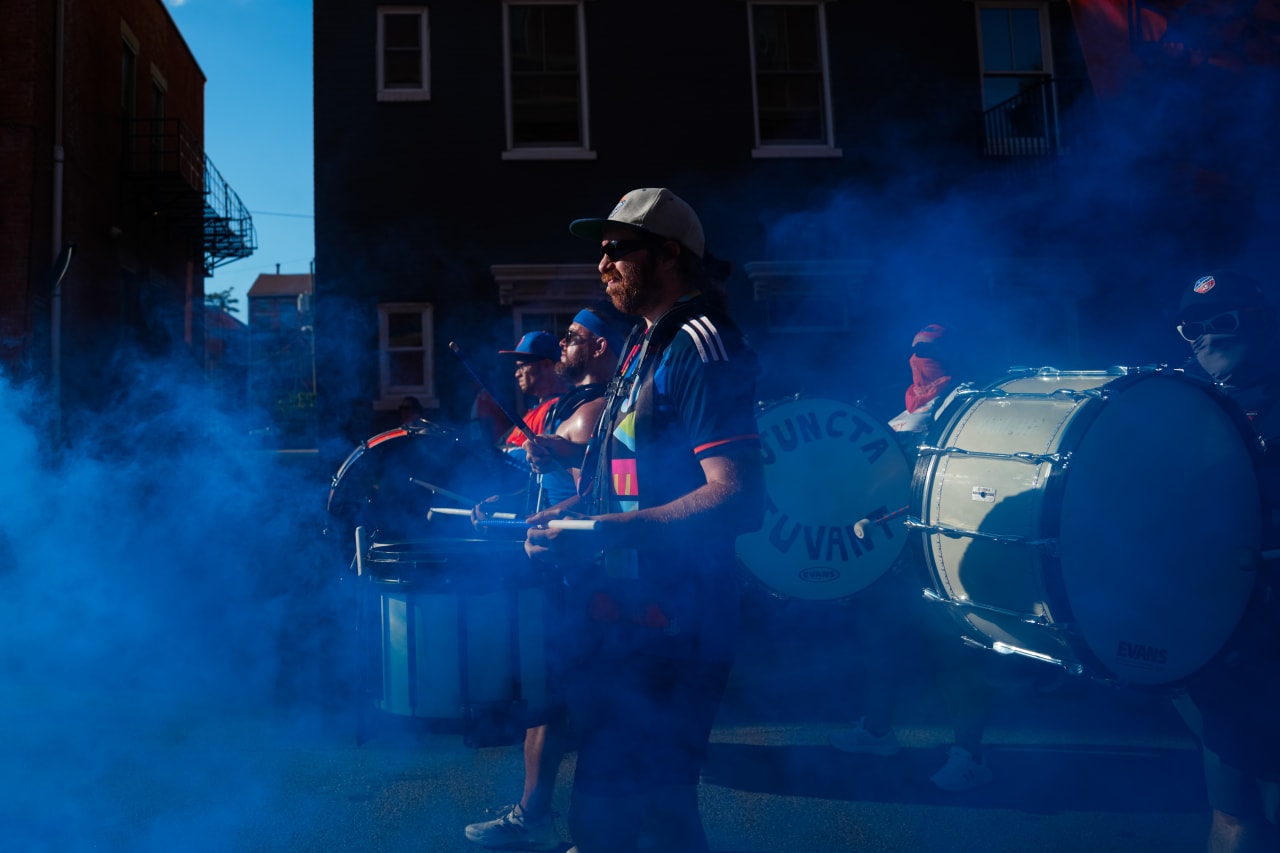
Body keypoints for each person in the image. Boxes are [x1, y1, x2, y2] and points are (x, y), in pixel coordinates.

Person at [524, 187, 765, 853]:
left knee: (608, 813)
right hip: (624, 617)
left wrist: (606, 534)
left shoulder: (701, 345)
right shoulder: (638, 348)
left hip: (677, 628)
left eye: (615, 248)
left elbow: (740, 496)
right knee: (660, 810)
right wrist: (569, 515)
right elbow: (615, 487)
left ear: (668, 256)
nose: (601, 263)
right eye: (600, 250)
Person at [464, 305, 632, 852]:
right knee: (546, 698)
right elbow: (552, 485)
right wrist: (506, 500)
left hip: (587, 575)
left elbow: (601, 483)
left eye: (574, 337)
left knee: (590, 704)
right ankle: (535, 812)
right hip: (557, 571)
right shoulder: (567, 404)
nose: (562, 344)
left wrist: (565, 450)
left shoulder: (601, 409)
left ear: (600, 348)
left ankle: (599, 831)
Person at [828, 323, 995, 792]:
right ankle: (878, 731)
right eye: (917, 350)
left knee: (954, 652)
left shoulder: (964, 406)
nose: (921, 358)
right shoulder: (911, 405)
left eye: (932, 351)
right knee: (878, 641)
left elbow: (947, 478)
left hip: (939, 548)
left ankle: (971, 756)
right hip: (893, 551)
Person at [1168, 269, 1280, 853]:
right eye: (1193, 328)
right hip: (1215, 642)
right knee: (1234, 809)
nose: (1207, 338)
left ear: (1259, 322)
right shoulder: (1175, 405)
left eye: (1225, 322)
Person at [499, 330, 569, 457]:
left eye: (522, 366)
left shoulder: (560, 409)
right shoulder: (538, 409)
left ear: (547, 364)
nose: (517, 374)